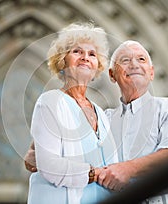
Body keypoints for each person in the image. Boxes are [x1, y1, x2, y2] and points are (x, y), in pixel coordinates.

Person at [25, 40, 168, 204]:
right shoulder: (103, 119)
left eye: (141, 59)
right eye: (125, 60)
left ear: (151, 72)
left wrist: (128, 169)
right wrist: (39, 150)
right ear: (112, 75)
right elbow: (60, 144)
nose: (134, 64)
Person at [26, 22, 118, 204]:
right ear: (63, 61)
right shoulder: (50, 102)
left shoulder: (100, 113)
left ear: (97, 66)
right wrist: (94, 173)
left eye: (92, 54)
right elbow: (49, 165)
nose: (85, 57)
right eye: (77, 51)